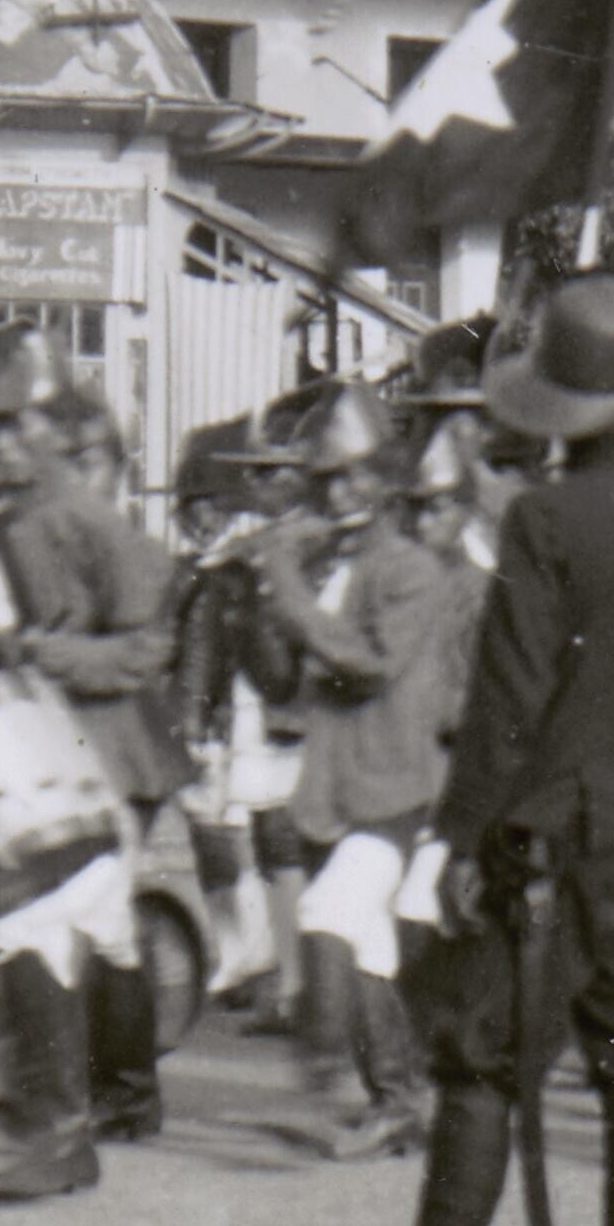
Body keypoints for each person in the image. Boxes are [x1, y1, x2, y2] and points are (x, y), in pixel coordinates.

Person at [287, 271, 614, 1226]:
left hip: (549, 840)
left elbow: (509, 705)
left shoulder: (544, 520)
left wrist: (456, 838)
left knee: (485, 1065)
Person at [0, 331, 183, 1196]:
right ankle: (119, 1094)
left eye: (15, 426)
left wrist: (57, 659)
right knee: (100, 930)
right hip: (29, 758)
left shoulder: (90, 521)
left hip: (103, 758)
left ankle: (62, 1128)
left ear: (57, 428)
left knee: (34, 918)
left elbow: (149, 644)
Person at [249, 379, 470, 1160]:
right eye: (327, 479)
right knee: (371, 948)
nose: (337, 493)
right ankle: (397, 1103)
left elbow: (369, 662)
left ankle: (323, 1084)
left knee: (326, 916)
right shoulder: (331, 566)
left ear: (386, 482)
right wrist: (258, 605)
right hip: (339, 783)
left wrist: (287, 588)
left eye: (354, 477)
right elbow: (284, 681)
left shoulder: (412, 568)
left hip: (394, 784)